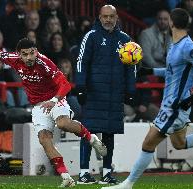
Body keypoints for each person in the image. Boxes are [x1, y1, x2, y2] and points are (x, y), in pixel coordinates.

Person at [0, 34, 107, 187]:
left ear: (36, 51)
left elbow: (65, 84)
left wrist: (54, 100)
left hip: (55, 99)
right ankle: (66, 177)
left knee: (63, 124)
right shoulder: (13, 58)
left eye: (32, 52)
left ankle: (91, 138)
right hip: (38, 106)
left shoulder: (44, 63)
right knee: (44, 140)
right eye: (25, 54)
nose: (29, 57)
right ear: (19, 54)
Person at [102, 8, 193, 189]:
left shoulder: (188, 47)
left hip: (176, 106)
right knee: (179, 143)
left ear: (171, 22)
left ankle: (128, 184)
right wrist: (149, 71)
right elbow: (172, 71)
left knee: (149, 141)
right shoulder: (174, 44)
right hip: (170, 103)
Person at [74, 5, 136, 185]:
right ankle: (84, 173)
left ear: (117, 17)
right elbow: (81, 62)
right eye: (105, 16)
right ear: (99, 17)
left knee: (109, 134)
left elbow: (131, 67)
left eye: (111, 16)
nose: (108, 20)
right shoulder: (91, 36)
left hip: (114, 95)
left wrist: (130, 90)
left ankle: (107, 173)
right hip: (94, 94)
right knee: (88, 133)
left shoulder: (125, 39)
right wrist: (80, 87)